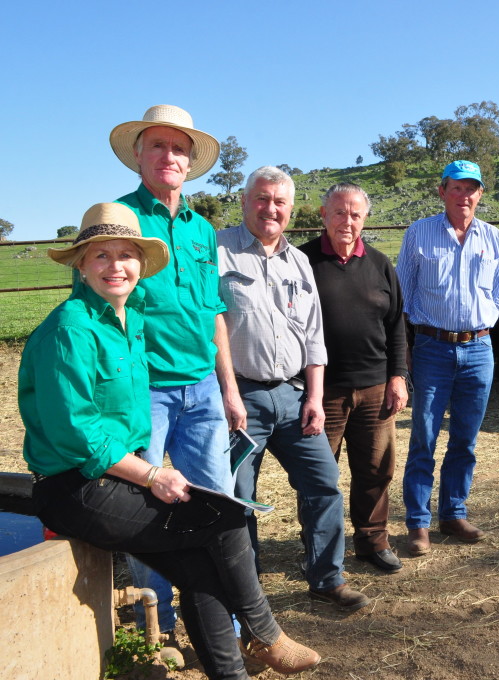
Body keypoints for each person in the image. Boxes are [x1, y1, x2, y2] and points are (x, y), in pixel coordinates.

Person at [19, 203, 319, 680]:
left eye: (126, 255)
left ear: (141, 263)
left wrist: (148, 469)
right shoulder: (70, 330)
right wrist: (152, 474)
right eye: (101, 255)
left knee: (201, 571)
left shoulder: (130, 319)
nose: (115, 266)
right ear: (80, 264)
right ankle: (265, 634)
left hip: (116, 478)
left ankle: (234, 670)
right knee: (224, 518)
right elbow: (78, 434)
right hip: (76, 485)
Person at [110, 104, 244, 634]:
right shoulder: (119, 219)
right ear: (139, 156)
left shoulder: (202, 230)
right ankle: (155, 624)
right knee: (147, 505)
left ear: (190, 163)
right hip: (143, 389)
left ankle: (226, 623)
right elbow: (100, 311)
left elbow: (213, 312)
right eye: (159, 145)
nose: (170, 156)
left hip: (203, 388)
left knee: (216, 503)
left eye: (180, 148)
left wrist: (229, 389)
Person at [217, 167, 368, 610]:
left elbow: (314, 336)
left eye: (280, 202)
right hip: (239, 397)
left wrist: (315, 398)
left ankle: (326, 577)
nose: (271, 209)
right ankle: (246, 590)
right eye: (262, 199)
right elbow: (209, 327)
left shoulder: (298, 261)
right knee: (237, 497)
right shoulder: (217, 252)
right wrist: (226, 392)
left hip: (293, 395)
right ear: (245, 201)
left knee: (324, 484)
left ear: (290, 209)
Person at [396, 160, 499, 556]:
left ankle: (453, 513)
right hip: (433, 347)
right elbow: (403, 294)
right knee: (423, 437)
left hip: (479, 348)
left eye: (471, 188)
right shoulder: (419, 233)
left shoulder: (494, 238)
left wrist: (481, 324)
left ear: (481, 194)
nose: (464, 196)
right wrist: (409, 344)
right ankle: (418, 523)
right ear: (442, 192)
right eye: (456, 188)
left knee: (466, 438)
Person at [298, 183, 408, 574]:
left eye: (355, 214)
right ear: (324, 215)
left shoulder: (380, 264)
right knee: (318, 475)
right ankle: (320, 548)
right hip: (321, 390)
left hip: (375, 386)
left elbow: (396, 325)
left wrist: (398, 376)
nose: (348, 221)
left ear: (365, 218)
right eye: (339, 213)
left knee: (376, 469)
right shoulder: (301, 260)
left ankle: (373, 540)